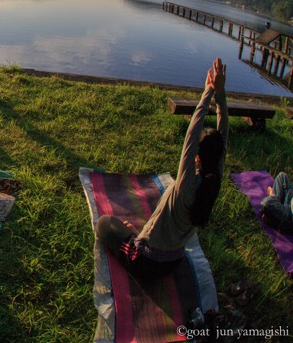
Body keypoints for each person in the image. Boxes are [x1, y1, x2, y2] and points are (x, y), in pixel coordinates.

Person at [96, 57, 228, 279]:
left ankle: (133, 238)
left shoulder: (186, 185)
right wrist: (221, 94)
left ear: (196, 158)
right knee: (127, 228)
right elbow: (222, 136)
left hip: (145, 262)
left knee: (104, 223)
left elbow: (192, 133)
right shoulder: (214, 179)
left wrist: (208, 91)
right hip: (173, 262)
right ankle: (134, 235)